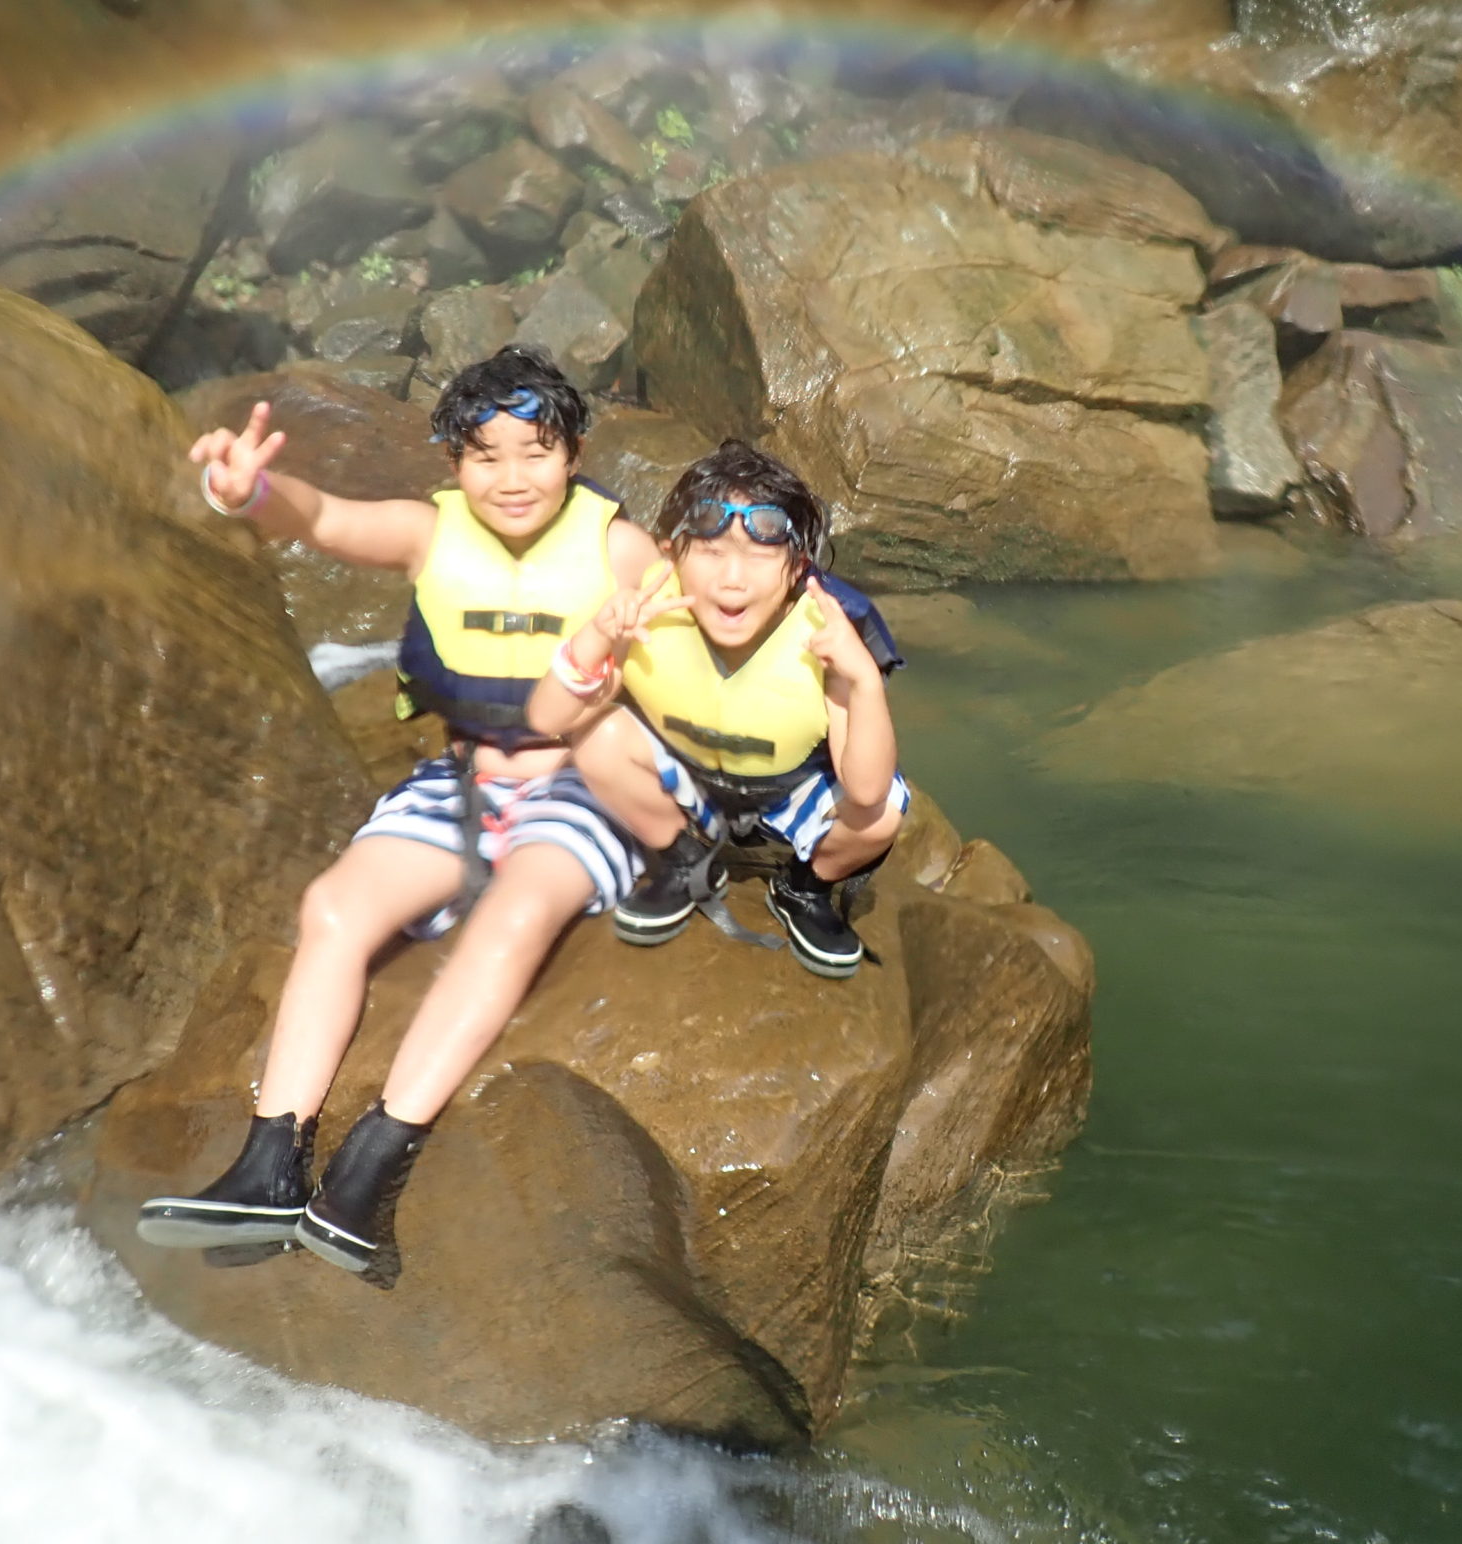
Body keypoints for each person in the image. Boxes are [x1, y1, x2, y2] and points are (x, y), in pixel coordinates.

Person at [135, 347, 663, 1284]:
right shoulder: (430, 531)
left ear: (574, 454)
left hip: (580, 786)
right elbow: (327, 520)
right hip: (457, 783)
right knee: (334, 909)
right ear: (455, 464)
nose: (512, 478)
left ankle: (373, 1163)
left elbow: (696, 665)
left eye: (535, 452)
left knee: (518, 909)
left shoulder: (620, 548)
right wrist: (247, 496)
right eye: (485, 455)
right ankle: (271, 1163)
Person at [527, 440, 907, 980]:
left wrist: (864, 679)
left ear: (798, 567)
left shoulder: (829, 630)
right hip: (690, 785)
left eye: (759, 555)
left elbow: (865, 790)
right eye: (710, 552)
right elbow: (548, 720)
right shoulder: (646, 609)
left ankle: (803, 888)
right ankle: (683, 860)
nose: (733, 578)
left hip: (788, 793)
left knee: (883, 811)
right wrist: (597, 636)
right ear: (672, 555)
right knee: (596, 737)